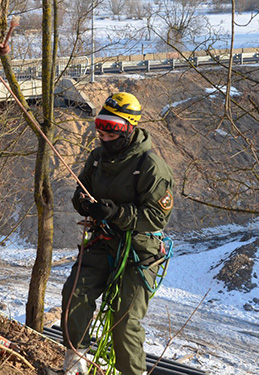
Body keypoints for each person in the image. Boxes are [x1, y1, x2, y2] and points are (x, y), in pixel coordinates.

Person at [61, 92, 174, 375]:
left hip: (139, 250)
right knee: (74, 294)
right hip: (103, 241)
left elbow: (157, 217)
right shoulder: (98, 158)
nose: (104, 135)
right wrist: (84, 204)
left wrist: (117, 213)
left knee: (124, 321)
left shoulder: (151, 168)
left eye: (112, 128)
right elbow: (81, 190)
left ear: (129, 128)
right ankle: (75, 366)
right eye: (100, 126)